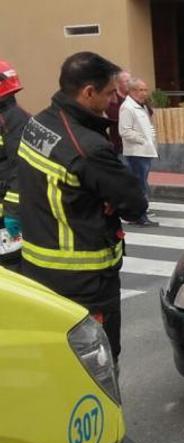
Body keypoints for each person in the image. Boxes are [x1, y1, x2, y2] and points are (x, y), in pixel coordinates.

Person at [16, 52, 147, 365]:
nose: (115, 98)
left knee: (56, 360)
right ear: (88, 92)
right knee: (96, 361)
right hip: (86, 280)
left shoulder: (37, 124)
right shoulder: (87, 147)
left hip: (38, 269)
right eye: (109, 93)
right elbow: (135, 204)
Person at [0, 59, 30, 270]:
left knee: (10, 268)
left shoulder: (13, 120)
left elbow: (19, 169)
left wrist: (12, 211)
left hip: (6, 215)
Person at [119, 77, 159, 227]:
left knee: (141, 184)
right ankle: (140, 216)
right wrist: (143, 140)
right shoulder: (127, 107)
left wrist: (150, 139)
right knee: (139, 185)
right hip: (136, 153)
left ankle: (138, 215)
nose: (144, 93)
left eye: (145, 90)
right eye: (141, 90)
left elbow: (147, 126)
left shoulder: (140, 106)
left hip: (145, 151)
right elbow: (124, 131)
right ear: (133, 91)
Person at [106, 70, 131, 159]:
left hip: (137, 147)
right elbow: (114, 117)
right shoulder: (113, 99)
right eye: (126, 81)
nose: (130, 84)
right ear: (118, 83)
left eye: (130, 81)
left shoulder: (133, 97)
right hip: (120, 147)